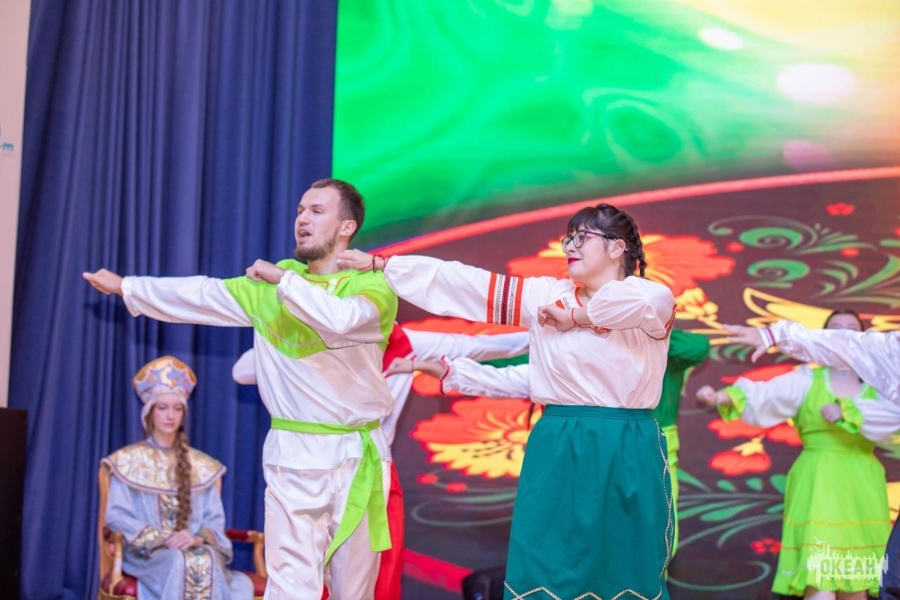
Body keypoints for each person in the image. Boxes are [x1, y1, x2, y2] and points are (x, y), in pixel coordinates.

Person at [338, 203, 677, 600]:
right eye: (568, 238)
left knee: (626, 566)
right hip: (559, 442)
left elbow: (631, 303)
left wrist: (575, 317)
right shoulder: (546, 296)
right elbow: (469, 285)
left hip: (625, 444)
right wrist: (387, 266)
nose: (570, 246)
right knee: (548, 567)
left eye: (582, 238)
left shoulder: (650, 297)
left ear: (617, 248)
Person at [85, 179, 398, 599]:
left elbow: (340, 321)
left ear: (347, 227)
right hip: (294, 454)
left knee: (353, 589)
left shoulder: (371, 286)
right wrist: (129, 286)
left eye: (316, 211)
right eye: (299, 210)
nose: (302, 219)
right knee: (289, 588)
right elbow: (202, 294)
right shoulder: (268, 288)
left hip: (358, 455)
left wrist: (283, 282)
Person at [232, 326, 530, 600]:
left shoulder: (406, 342)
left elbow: (481, 346)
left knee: (372, 578)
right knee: (304, 571)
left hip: (372, 472)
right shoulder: (315, 334)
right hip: (313, 468)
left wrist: (544, 335)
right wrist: (301, 336)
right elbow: (241, 371)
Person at [389, 328, 710, 556]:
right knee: (573, 546)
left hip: (642, 452)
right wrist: (426, 365)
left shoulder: (653, 346)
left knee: (649, 543)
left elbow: (698, 347)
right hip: (575, 459)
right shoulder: (564, 359)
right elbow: (499, 376)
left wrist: (640, 327)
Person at [700, 311, 900, 599]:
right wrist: (720, 397)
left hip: (861, 483)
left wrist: (849, 412)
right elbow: (766, 395)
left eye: (851, 330)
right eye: (836, 330)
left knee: (855, 583)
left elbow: (891, 417)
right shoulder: (808, 378)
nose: (844, 337)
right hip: (819, 481)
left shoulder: (881, 385)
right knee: (819, 579)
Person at [101, 355, 254, 600]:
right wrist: (164, 538)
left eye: (177, 408)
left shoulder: (202, 466)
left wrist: (196, 537)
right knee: (177, 562)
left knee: (208, 559)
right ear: (150, 412)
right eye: (163, 408)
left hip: (193, 548)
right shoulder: (127, 461)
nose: (170, 415)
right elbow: (118, 516)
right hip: (147, 555)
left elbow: (214, 520)